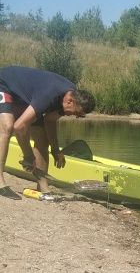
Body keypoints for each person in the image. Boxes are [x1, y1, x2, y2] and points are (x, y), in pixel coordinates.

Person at [0, 65, 95, 198]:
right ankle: (0, 183)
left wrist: (55, 150)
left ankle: (43, 187)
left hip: (26, 98)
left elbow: (49, 120)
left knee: (42, 140)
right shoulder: (49, 95)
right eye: (76, 113)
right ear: (70, 101)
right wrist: (28, 156)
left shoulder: (71, 94)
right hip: (5, 82)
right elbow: (20, 127)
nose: (74, 116)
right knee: (7, 127)